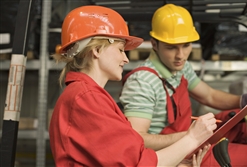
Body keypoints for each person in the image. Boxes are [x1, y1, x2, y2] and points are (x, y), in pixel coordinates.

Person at [49, 5, 217, 167]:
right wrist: (192, 139)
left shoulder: (91, 97)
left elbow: (135, 157)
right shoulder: (85, 99)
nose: (126, 59)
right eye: (121, 49)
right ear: (97, 50)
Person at [119, 3, 247, 167]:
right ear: (154, 44)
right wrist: (190, 137)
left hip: (189, 138)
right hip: (175, 153)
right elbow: (137, 138)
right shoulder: (142, 82)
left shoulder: (180, 67)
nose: (180, 56)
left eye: (186, 45)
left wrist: (243, 101)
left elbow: (209, 95)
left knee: (240, 124)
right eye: (171, 48)